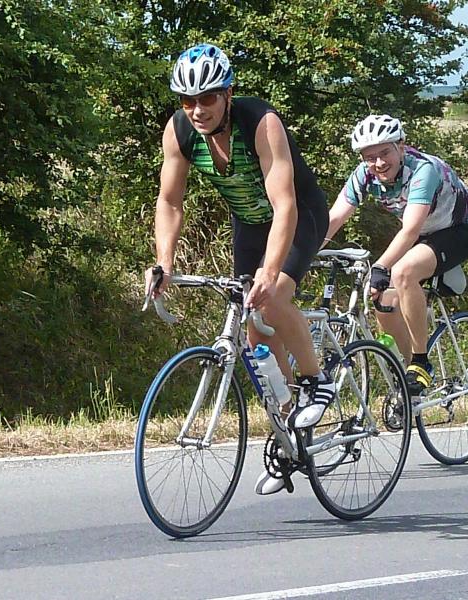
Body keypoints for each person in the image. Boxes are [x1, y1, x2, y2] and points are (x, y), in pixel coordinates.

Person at [144, 44, 335, 495]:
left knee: (272, 297)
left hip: (298, 216)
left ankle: (317, 380)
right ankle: (289, 437)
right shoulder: (179, 132)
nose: (197, 109)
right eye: (187, 100)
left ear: (228, 94)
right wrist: (164, 262)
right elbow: (170, 201)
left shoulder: (261, 123)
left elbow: (284, 205)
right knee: (256, 339)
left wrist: (271, 271)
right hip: (249, 223)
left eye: (208, 98)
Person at [324, 114, 468, 397]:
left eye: (385, 153)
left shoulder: (423, 170)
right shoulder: (364, 174)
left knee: (403, 272)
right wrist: (303, 253)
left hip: (460, 228)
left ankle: (421, 362)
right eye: (369, 157)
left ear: (401, 145)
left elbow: (410, 230)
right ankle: (409, 374)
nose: (378, 163)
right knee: (382, 298)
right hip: (424, 231)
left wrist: (381, 266)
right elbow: (335, 218)